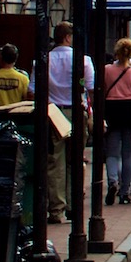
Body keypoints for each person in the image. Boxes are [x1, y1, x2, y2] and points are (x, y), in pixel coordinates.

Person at [46, 21, 93, 223]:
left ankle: (56, 208)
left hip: (53, 112)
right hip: (75, 111)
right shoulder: (83, 60)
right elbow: (91, 89)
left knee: (55, 161)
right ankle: (74, 206)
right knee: (75, 160)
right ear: (67, 37)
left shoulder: (45, 59)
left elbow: (32, 89)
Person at [101, 38, 131, 204]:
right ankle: (124, 192)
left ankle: (112, 181)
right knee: (128, 154)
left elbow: (100, 93)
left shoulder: (106, 70)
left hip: (112, 110)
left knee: (112, 152)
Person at [0, 42, 33, 108]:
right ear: (15, 58)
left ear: (1, 57)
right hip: (15, 116)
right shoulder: (23, 79)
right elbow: (26, 102)